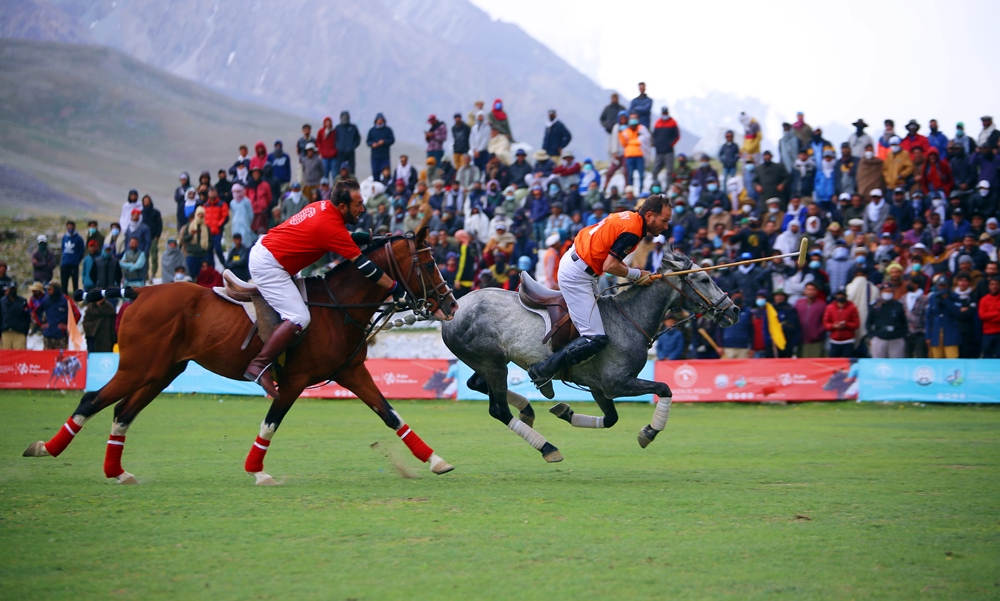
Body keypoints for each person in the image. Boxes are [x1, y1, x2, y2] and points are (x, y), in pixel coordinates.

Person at [245, 179, 404, 397]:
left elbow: (345, 237)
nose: (362, 209)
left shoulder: (323, 207)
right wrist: (394, 287)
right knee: (299, 317)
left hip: (271, 251)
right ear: (342, 207)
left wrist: (372, 238)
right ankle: (259, 365)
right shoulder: (329, 225)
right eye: (358, 204)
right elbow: (365, 266)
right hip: (270, 265)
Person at [527, 195, 673, 388]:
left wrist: (638, 274)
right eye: (664, 221)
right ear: (649, 215)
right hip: (577, 275)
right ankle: (543, 370)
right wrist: (637, 275)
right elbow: (610, 266)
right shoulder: (633, 231)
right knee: (594, 338)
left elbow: (610, 257)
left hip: (582, 266)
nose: (665, 227)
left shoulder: (629, 218)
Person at [34, 282, 79, 350]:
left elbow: (77, 313)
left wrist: (69, 327)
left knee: (61, 359)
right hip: (48, 336)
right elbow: (36, 312)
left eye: (50, 289)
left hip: (61, 336)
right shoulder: (46, 300)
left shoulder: (66, 300)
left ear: (55, 290)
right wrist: (41, 324)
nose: (48, 291)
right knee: (47, 359)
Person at [867, 282, 907, 358]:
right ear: (881, 292)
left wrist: (903, 335)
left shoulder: (898, 305)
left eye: (890, 292)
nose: (888, 293)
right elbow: (868, 322)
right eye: (885, 291)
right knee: (879, 365)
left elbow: (904, 322)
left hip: (896, 340)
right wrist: (871, 336)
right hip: (879, 338)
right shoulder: (875, 306)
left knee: (896, 365)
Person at [925, 274, 961, 358]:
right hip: (935, 335)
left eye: (944, 285)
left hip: (951, 335)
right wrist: (928, 336)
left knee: (952, 361)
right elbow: (928, 317)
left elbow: (957, 312)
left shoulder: (955, 296)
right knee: (936, 362)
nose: (942, 288)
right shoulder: (932, 297)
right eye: (940, 285)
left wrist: (946, 299)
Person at [823, 289, 859, 357]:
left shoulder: (852, 307)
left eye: (842, 295)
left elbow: (856, 324)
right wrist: (833, 326)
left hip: (848, 341)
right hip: (835, 341)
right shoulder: (830, 308)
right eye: (839, 295)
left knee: (847, 362)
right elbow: (825, 323)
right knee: (834, 362)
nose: (841, 297)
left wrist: (846, 324)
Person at [619, 112, 649, 192]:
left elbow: (645, 140)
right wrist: (636, 141)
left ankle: (641, 190)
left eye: (635, 118)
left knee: (641, 175)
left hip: (640, 155)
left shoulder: (642, 129)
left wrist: (631, 142)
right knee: (630, 175)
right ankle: (630, 192)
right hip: (629, 156)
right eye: (632, 118)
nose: (633, 120)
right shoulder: (625, 131)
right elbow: (623, 143)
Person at [795, 282, 827, 357]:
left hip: (816, 341)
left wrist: (818, 332)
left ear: (816, 291)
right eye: (809, 289)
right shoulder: (798, 304)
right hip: (801, 340)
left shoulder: (822, 304)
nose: (811, 292)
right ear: (805, 291)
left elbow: (825, 320)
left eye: (813, 290)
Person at [180, 206, 212, 281]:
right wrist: (191, 234)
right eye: (199, 215)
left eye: (202, 215)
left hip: (203, 255)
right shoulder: (189, 226)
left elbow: (210, 241)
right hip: (192, 255)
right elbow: (185, 239)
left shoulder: (206, 228)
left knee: (202, 276)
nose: (200, 216)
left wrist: (206, 247)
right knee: (191, 275)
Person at [903, 276, 929, 358]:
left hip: (920, 333)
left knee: (920, 356)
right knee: (907, 357)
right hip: (906, 332)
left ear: (916, 285)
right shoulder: (904, 298)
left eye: (910, 282)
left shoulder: (924, 299)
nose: (908, 284)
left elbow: (926, 317)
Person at [1, 281, 31, 350]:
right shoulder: (2, 302)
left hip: (19, 332)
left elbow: (27, 318)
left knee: (20, 356)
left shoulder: (22, 301)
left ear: (16, 289)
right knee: (5, 356)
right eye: (11, 289)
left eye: (14, 289)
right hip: (6, 332)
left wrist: (24, 332)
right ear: (7, 290)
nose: (12, 291)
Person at [140, 195, 163, 282]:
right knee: (145, 256)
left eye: (147, 201)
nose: (146, 202)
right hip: (144, 239)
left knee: (154, 256)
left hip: (154, 238)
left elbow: (159, 225)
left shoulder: (156, 213)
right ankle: (145, 273)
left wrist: (157, 236)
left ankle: (153, 273)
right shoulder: (141, 213)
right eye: (144, 201)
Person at [59, 220, 85, 292]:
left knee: (75, 285)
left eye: (72, 227)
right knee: (64, 284)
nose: (70, 228)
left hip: (74, 264)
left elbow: (82, 251)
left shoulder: (79, 239)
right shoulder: (64, 237)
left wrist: (76, 260)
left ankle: (76, 300)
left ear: (74, 227)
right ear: (66, 227)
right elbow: (62, 249)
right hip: (64, 264)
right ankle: (65, 300)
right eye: (69, 227)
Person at [366, 113, 395, 177]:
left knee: (386, 174)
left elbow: (392, 140)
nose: (380, 121)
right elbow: (368, 141)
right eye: (378, 120)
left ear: (383, 120)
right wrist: (372, 144)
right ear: (376, 120)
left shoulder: (388, 130)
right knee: (375, 173)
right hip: (375, 156)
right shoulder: (372, 130)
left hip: (385, 156)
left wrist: (384, 141)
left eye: (381, 120)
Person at [979, 276, 1000, 358]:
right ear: (989, 286)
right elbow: (982, 316)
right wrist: (997, 313)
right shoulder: (984, 300)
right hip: (987, 333)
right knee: (987, 355)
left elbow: (986, 315)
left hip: (999, 332)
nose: (994, 286)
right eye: (992, 284)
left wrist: (990, 316)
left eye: (997, 284)